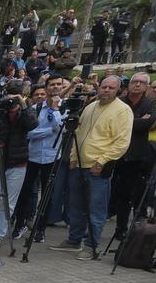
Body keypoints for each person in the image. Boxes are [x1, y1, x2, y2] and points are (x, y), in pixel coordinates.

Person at [49, 75, 132, 260]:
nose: (106, 90)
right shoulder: (90, 106)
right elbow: (78, 132)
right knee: (76, 206)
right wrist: (73, 157)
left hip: (98, 167)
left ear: (118, 90)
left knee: (96, 209)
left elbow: (122, 142)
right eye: (104, 86)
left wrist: (102, 161)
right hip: (79, 163)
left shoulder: (123, 110)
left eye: (111, 88)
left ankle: (91, 246)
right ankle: (74, 240)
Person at [0, 83, 37, 248]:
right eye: (9, 97)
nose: (11, 102)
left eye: (15, 98)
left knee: (8, 203)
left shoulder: (26, 111)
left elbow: (32, 124)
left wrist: (22, 105)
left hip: (18, 163)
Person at [13, 76, 65, 243]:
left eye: (58, 84)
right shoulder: (35, 108)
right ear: (47, 87)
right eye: (52, 84)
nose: (55, 87)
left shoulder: (64, 108)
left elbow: (61, 129)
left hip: (52, 157)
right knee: (25, 192)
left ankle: (40, 229)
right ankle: (19, 224)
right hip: (33, 156)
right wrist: (50, 131)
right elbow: (29, 132)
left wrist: (55, 110)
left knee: (47, 195)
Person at [108, 73, 156, 241]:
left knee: (127, 194)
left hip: (134, 156)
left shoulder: (150, 103)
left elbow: (148, 123)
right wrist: (137, 121)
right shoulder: (119, 100)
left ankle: (121, 228)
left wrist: (127, 122)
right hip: (113, 153)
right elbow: (113, 123)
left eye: (141, 82)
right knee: (109, 191)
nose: (137, 84)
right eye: (134, 81)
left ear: (147, 87)